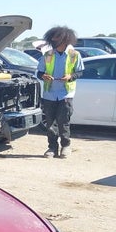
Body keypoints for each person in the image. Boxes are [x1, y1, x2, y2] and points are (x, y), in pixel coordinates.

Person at [36, 26, 83, 158]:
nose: (53, 39)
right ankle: (52, 148)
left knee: (64, 122)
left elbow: (80, 72)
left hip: (65, 94)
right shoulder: (48, 55)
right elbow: (39, 72)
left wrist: (70, 77)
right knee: (50, 124)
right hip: (49, 94)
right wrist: (43, 76)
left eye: (56, 37)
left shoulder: (74, 55)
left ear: (65, 39)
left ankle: (66, 147)